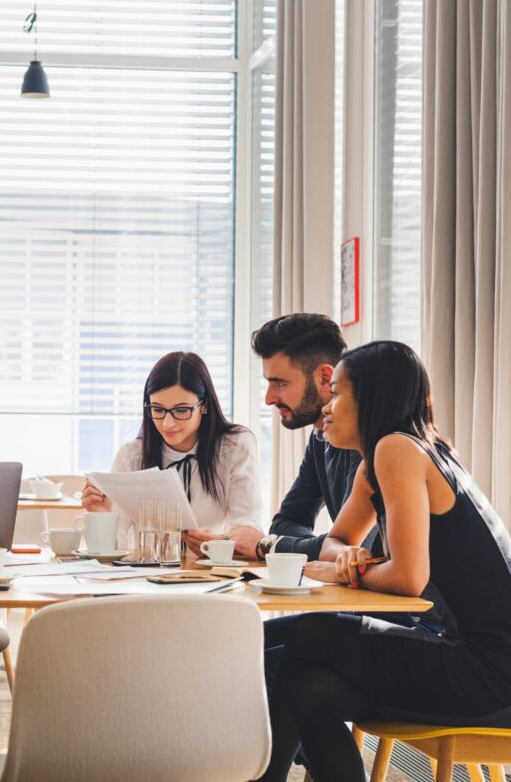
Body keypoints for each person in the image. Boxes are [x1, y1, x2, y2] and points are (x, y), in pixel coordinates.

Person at [258, 341, 511, 782]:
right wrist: (346, 557)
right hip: (470, 658)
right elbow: (338, 538)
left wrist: (351, 572)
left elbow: (410, 579)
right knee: (308, 689)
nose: (326, 408)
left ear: (370, 396)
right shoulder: (391, 454)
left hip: (489, 670)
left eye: (336, 393)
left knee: (309, 632)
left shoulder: (397, 449)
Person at [81, 351, 264, 553]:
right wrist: (101, 516)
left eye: (181, 410)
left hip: (211, 572)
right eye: (158, 410)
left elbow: (248, 524)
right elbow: (113, 550)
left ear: (203, 406)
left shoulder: (234, 446)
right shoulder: (132, 456)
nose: (168, 423)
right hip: (147, 577)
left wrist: (217, 541)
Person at [235, 313, 362, 562]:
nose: (269, 398)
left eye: (280, 383)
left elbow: (356, 546)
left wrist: (269, 546)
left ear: (325, 377)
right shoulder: (320, 437)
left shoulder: (368, 440)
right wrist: (311, 546)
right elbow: (286, 522)